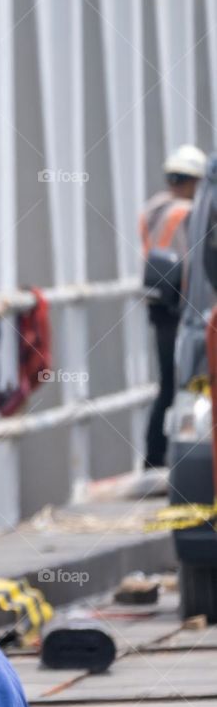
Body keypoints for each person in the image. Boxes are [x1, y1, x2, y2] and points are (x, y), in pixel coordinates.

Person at [140, 144, 206, 469]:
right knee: (187, 380)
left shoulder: (152, 208)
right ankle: (180, 456)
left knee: (167, 382)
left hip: (159, 303)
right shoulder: (186, 212)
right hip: (183, 305)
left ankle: (154, 459)